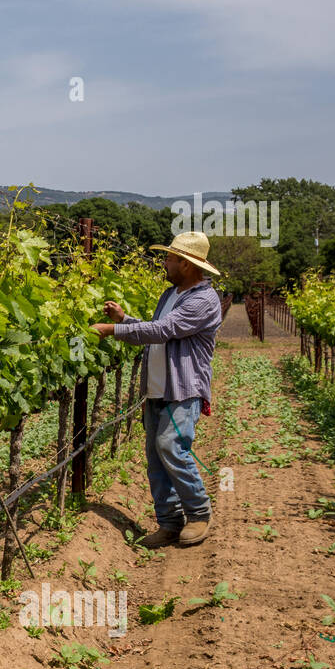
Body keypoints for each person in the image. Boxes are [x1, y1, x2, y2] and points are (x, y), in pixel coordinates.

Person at [90, 231, 223, 547]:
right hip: (157, 388)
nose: (164, 263)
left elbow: (165, 330)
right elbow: (155, 327)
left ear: (186, 264)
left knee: (170, 447)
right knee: (155, 458)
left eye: (169, 258)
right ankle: (169, 523)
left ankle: (199, 513)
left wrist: (113, 330)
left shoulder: (204, 299)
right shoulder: (171, 294)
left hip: (182, 390)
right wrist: (126, 319)